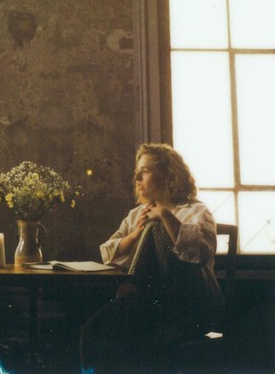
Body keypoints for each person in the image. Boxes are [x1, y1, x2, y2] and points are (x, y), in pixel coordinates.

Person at [80, 143, 224, 372]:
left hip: (190, 305)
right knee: (94, 330)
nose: (137, 178)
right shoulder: (137, 214)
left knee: (155, 226)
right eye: (137, 172)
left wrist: (164, 215)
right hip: (147, 304)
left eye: (145, 171)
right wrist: (134, 235)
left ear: (168, 175)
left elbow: (199, 254)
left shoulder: (196, 211)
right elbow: (108, 251)